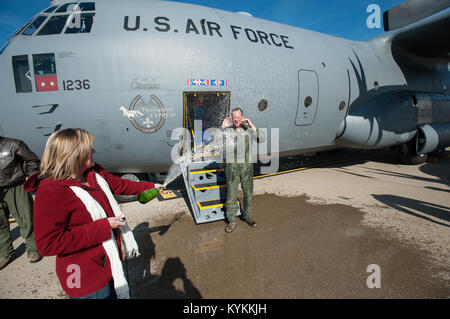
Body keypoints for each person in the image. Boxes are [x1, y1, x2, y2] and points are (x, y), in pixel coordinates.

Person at [23, 128, 164, 299]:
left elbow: (119, 185)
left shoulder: (93, 172)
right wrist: (103, 227)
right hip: (85, 278)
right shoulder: (50, 192)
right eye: (89, 149)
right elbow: (48, 244)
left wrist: (151, 186)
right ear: (75, 155)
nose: (94, 152)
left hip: (109, 263)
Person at [0, 136, 42, 270]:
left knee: (26, 219)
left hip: (15, 186)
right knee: (0, 223)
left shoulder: (13, 144)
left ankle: (33, 248)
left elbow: (32, 160)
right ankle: (6, 253)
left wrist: (31, 177)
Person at [221, 107, 265, 233]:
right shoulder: (228, 131)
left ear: (242, 117)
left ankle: (247, 216)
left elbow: (261, 138)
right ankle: (232, 220)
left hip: (246, 167)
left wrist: (251, 124)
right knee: (231, 195)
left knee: (248, 193)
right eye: (234, 117)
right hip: (232, 168)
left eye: (238, 117)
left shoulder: (248, 130)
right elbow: (217, 141)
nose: (236, 119)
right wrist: (222, 128)